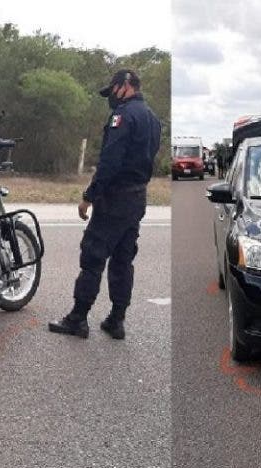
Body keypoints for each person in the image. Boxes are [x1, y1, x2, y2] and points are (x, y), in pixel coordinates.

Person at [48, 70, 162, 340]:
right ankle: (116, 319)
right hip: (137, 197)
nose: (110, 97)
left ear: (125, 86)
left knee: (93, 256)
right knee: (123, 259)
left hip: (115, 198)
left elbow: (110, 164)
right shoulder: (153, 120)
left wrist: (89, 196)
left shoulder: (122, 117)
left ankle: (78, 318)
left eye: (112, 90)